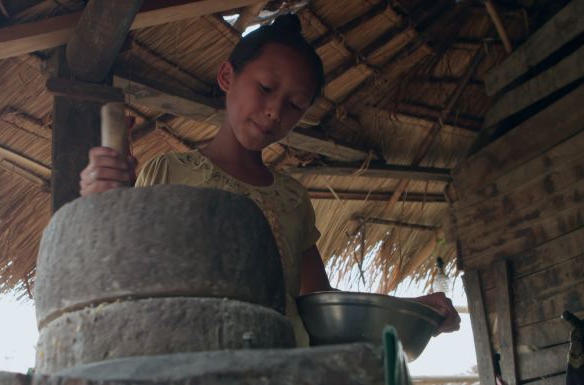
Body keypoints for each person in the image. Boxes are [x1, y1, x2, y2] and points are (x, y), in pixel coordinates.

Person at [79, 14, 461, 346]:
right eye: (265, 88)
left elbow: (321, 304)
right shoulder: (169, 172)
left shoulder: (292, 199)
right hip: (194, 363)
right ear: (227, 76)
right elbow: (131, 275)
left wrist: (409, 310)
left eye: (295, 105)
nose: (274, 111)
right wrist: (110, 200)